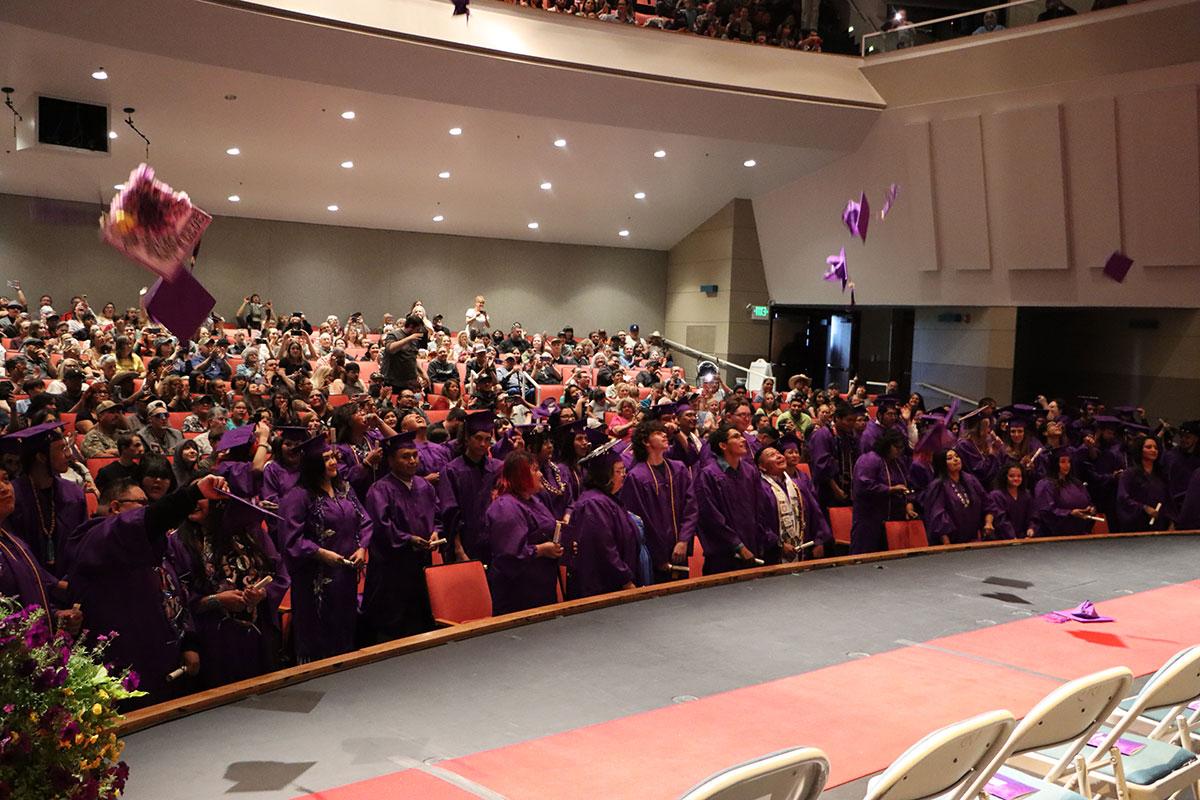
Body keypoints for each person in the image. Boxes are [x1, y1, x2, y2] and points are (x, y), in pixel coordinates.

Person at [62, 474, 230, 705]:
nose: (148, 509)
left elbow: (173, 591)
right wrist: (192, 494)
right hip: (123, 671)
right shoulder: (96, 538)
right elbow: (149, 520)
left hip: (165, 662)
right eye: (141, 504)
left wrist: (189, 643)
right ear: (115, 507)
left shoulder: (149, 544)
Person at [168, 495, 289, 688]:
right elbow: (175, 595)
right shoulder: (177, 542)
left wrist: (262, 593)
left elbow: (278, 574)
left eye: (200, 496)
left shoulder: (250, 532)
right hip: (213, 638)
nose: (193, 501)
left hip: (257, 634)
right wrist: (217, 600)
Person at [278, 435, 371, 663]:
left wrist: (362, 548)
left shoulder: (345, 490)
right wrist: (320, 553)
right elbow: (291, 540)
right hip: (315, 580)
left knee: (344, 628)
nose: (333, 462)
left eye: (333, 457)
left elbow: (365, 521)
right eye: (326, 458)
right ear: (312, 463)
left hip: (345, 576)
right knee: (318, 634)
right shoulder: (298, 496)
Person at [362, 431, 439, 641]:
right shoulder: (379, 489)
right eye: (405, 456)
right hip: (391, 569)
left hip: (421, 563)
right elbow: (380, 526)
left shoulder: (424, 486)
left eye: (414, 455)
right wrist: (409, 539)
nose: (412, 460)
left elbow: (437, 516)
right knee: (394, 624)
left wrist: (435, 533)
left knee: (421, 617)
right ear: (390, 460)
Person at [0, 465, 81, 633]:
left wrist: (55, 615)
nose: (3, 488)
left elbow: (30, 591)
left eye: (5, 479)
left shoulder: (14, 542)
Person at [5, 421, 89, 576]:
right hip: (27, 582)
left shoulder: (73, 494)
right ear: (41, 457)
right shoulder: (11, 497)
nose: (69, 454)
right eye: (61, 449)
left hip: (70, 582)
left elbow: (82, 542)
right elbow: (12, 552)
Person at [484, 451, 562, 614]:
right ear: (521, 475)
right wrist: (541, 550)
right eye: (534, 470)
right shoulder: (506, 507)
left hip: (541, 587)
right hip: (518, 593)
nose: (540, 474)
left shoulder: (534, 500)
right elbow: (509, 555)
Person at [620, 420, 697, 581]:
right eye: (657, 433)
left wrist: (683, 540)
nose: (664, 434)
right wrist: (658, 555)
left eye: (664, 431)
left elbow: (691, 508)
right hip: (653, 557)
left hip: (680, 551)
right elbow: (639, 521)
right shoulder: (636, 476)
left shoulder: (679, 469)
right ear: (645, 441)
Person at [562, 442, 641, 599]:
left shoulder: (608, 499)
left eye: (624, 470)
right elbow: (604, 547)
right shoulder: (594, 503)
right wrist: (625, 579)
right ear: (605, 475)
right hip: (601, 586)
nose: (623, 475)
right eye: (618, 471)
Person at [694, 424, 770, 574]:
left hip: (752, 548)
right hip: (723, 556)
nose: (742, 439)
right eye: (736, 437)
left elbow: (760, 508)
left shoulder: (750, 471)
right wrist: (738, 545)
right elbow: (711, 517)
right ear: (723, 445)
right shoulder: (708, 475)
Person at [438, 412, 502, 563]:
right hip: (465, 544)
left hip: (494, 544)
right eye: (478, 438)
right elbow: (450, 515)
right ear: (467, 438)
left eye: (487, 439)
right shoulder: (451, 470)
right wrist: (458, 550)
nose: (483, 444)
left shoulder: (498, 468)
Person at [756, 445, 830, 561]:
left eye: (778, 453)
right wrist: (779, 545)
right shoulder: (760, 489)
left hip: (803, 549)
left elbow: (815, 512)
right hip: (775, 554)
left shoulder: (798, 485)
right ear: (762, 467)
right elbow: (759, 522)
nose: (779, 456)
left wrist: (818, 540)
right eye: (771, 455)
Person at [850, 429, 916, 554]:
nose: (899, 451)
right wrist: (890, 489)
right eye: (896, 447)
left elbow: (907, 484)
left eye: (901, 448)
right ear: (886, 444)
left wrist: (908, 506)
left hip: (893, 519)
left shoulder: (898, 462)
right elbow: (864, 486)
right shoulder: (869, 460)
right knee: (866, 555)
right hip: (870, 519)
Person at [922, 449, 988, 545]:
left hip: (973, 539)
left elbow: (986, 501)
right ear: (942, 463)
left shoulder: (970, 480)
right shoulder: (938, 486)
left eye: (957, 456)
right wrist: (947, 545)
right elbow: (937, 516)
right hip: (950, 543)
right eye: (950, 458)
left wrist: (988, 523)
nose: (956, 459)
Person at [1033, 447, 1097, 536]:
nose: (1067, 465)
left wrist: (1091, 509)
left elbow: (1088, 501)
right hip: (1057, 536)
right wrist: (1069, 513)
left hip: (1079, 532)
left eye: (1069, 462)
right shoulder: (1045, 484)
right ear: (1055, 464)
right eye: (1063, 462)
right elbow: (1046, 511)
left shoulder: (1076, 483)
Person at [1115, 436, 1174, 532]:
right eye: (1148, 447)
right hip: (1136, 525)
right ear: (1140, 450)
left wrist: (1171, 522)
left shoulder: (1161, 476)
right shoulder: (1129, 474)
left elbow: (1169, 501)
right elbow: (1122, 498)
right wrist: (1143, 508)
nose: (1153, 450)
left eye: (1156, 448)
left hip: (1159, 525)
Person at [809, 403, 860, 509]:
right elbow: (822, 467)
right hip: (828, 492)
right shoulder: (823, 435)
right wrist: (836, 489)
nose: (852, 424)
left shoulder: (849, 437)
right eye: (849, 420)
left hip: (847, 489)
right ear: (837, 418)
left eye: (854, 421)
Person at [985, 463, 1034, 540]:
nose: (1016, 478)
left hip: (1023, 539)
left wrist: (1031, 528)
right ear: (1005, 477)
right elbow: (1001, 520)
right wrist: (1012, 537)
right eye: (1012, 476)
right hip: (1002, 540)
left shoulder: (1026, 495)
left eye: (1019, 476)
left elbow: (1032, 515)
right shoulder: (996, 495)